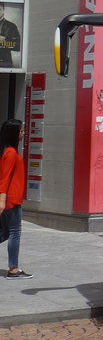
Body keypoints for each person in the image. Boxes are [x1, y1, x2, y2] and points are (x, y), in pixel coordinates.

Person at [0, 119, 31, 279]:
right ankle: (13, 269)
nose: (24, 133)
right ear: (13, 134)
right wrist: (2, 200)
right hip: (11, 200)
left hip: (11, 199)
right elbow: (4, 178)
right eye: (21, 131)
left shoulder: (8, 151)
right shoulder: (11, 153)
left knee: (5, 233)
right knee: (14, 233)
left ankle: (13, 268)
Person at [0, 3, 20, 69]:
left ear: (4, 10)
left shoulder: (12, 26)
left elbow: (18, 45)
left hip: (5, 63)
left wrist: (5, 39)